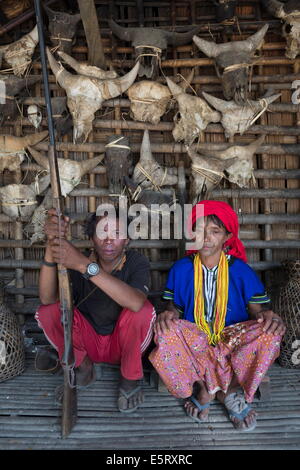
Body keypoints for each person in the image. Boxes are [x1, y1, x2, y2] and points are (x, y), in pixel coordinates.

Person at [149, 200, 286, 431]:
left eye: (215, 231)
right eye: (200, 230)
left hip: (232, 339)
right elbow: (175, 308)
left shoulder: (241, 271)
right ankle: (204, 389)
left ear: (227, 237)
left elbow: (258, 313)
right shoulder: (182, 269)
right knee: (166, 332)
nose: (206, 237)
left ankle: (229, 390)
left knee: (269, 334)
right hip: (196, 338)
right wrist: (167, 315)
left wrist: (271, 318)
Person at [35, 207, 156, 413]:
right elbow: (47, 298)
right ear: (92, 238)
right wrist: (52, 243)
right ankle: (83, 366)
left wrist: (85, 266)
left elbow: (136, 303)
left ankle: (130, 378)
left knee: (142, 310)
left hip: (122, 346)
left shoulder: (136, 262)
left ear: (127, 240)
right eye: (101, 232)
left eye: (117, 233)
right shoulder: (77, 260)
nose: (109, 240)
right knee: (47, 312)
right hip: (87, 343)